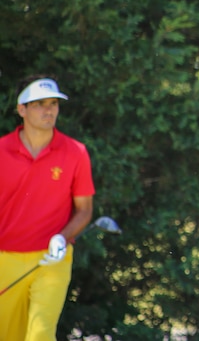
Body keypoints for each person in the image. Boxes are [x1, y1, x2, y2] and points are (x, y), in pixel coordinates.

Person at [0, 75, 95, 341]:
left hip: (52, 258)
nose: (49, 110)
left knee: (40, 334)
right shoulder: (1, 151)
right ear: (22, 109)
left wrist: (62, 238)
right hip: (5, 259)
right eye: (40, 103)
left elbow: (85, 210)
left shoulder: (75, 152)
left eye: (53, 103)